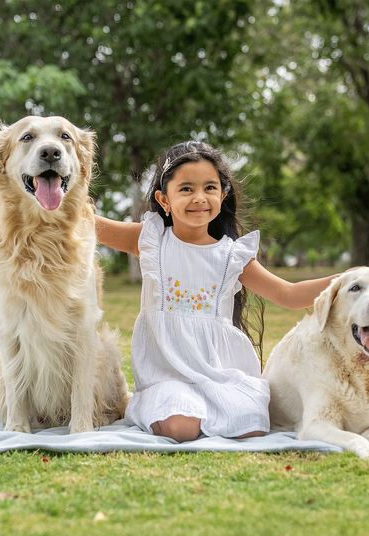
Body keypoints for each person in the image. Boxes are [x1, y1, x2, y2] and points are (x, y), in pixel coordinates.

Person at [95, 140, 337, 443]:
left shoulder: (232, 256)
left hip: (219, 372)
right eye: (186, 189)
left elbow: (287, 294)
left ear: (223, 195)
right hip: (168, 376)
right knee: (182, 428)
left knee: (251, 424)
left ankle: (213, 412)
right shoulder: (151, 241)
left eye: (210, 188)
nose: (199, 197)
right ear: (164, 198)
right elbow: (87, 225)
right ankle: (155, 408)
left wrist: (351, 278)